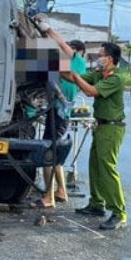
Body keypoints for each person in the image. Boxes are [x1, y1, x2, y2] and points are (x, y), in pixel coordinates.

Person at [62, 42, 128, 230]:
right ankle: (97, 204)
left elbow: (91, 91)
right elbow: (75, 79)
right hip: (101, 126)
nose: (97, 57)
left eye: (101, 54)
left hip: (112, 128)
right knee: (95, 166)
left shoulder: (116, 78)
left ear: (110, 58)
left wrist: (74, 75)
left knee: (107, 168)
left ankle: (119, 212)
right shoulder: (100, 74)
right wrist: (52, 68)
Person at [33, 19, 88, 208]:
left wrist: (46, 28)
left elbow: (60, 42)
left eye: (70, 50)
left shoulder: (78, 63)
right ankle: (61, 191)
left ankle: (49, 197)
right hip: (59, 111)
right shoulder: (71, 66)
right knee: (56, 152)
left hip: (60, 112)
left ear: (79, 53)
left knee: (48, 152)